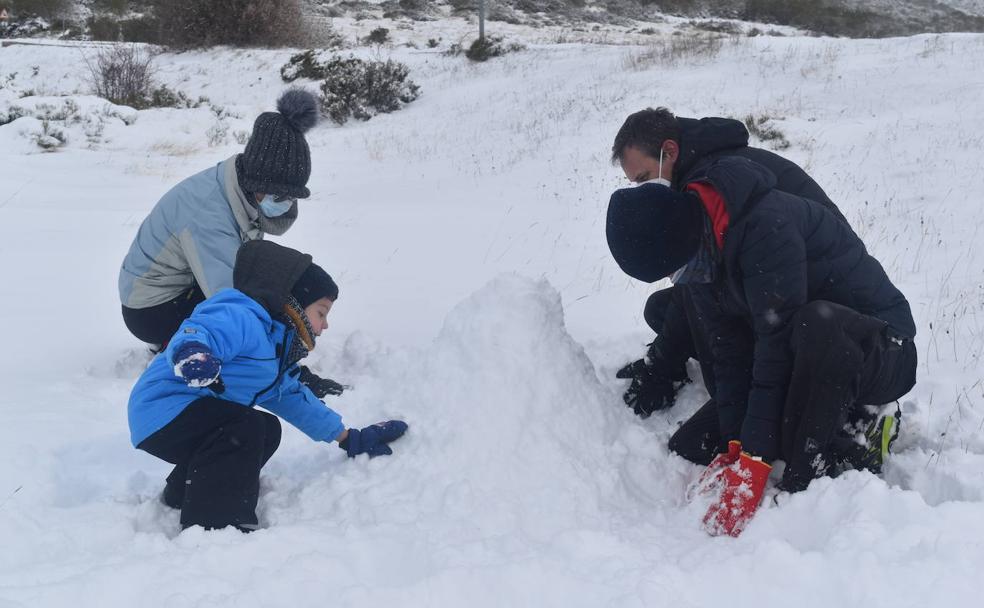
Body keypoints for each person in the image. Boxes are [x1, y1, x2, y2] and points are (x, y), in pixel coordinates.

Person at [605, 157, 916, 536]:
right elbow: (729, 354)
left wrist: (756, 460)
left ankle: (857, 433)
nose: (676, 277)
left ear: (684, 237)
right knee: (692, 445)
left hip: (880, 349)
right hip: (805, 354)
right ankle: (825, 424)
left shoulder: (766, 226)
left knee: (815, 331)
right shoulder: (702, 249)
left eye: (675, 268)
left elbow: (773, 347)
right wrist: (738, 444)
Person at [128, 240, 409, 532]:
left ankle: (185, 493)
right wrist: (194, 354)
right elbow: (201, 330)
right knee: (243, 426)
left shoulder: (274, 350)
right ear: (294, 304)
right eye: (321, 313)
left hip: (184, 417)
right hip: (162, 409)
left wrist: (348, 437)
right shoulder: (243, 316)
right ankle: (217, 524)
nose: (324, 326)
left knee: (265, 429)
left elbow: (294, 398)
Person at [610, 107, 846, 418]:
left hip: (816, 302)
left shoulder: (713, 182)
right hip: (768, 280)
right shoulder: (692, 170)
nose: (643, 192)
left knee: (718, 359)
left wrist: (663, 367)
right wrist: (662, 361)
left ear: (669, 151)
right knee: (661, 309)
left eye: (643, 178)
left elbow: (699, 285)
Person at [118, 88, 344, 398]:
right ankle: (178, 341)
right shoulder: (207, 214)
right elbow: (231, 301)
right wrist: (286, 368)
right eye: (280, 195)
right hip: (152, 308)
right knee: (236, 324)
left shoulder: (242, 193)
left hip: (183, 285)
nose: (286, 203)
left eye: (291, 196)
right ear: (257, 185)